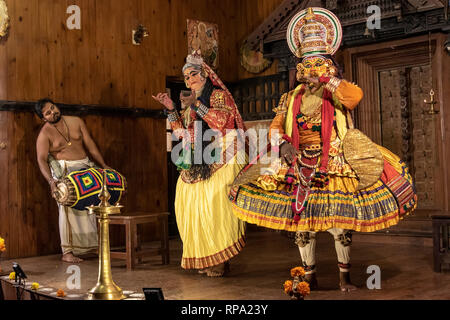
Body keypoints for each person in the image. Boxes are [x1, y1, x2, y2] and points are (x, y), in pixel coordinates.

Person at [229, 8, 417, 291]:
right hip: (298, 160)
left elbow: (355, 98)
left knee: (339, 224)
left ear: (328, 66)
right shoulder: (291, 96)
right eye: (307, 66)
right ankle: (309, 276)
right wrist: (282, 144)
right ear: (299, 69)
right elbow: (276, 126)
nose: (311, 71)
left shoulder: (337, 92)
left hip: (334, 159)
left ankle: (344, 278)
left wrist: (329, 81)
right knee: (302, 224)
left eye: (318, 65)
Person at [153, 51, 247, 277]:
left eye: (193, 74)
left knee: (215, 204)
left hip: (223, 150)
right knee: (186, 201)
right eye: (186, 77)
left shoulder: (217, 96)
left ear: (205, 74)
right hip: (198, 157)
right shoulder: (189, 106)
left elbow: (222, 122)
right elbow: (182, 133)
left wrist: (197, 105)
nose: (189, 80)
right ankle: (205, 256)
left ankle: (220, 259)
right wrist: (170, 109)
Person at [35, 99, 110, 263]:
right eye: (47, 112)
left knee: (90, 207)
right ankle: (67, 252)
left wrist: (103, 166)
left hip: (84, 168)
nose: (52, 112)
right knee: (66, 210)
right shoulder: (44, 134)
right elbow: (41, 160)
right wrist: (51, 181)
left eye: (53, 108)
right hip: (64, 172)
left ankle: (92, 247)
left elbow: (90, 144)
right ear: (43, 118)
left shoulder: (76, 121)